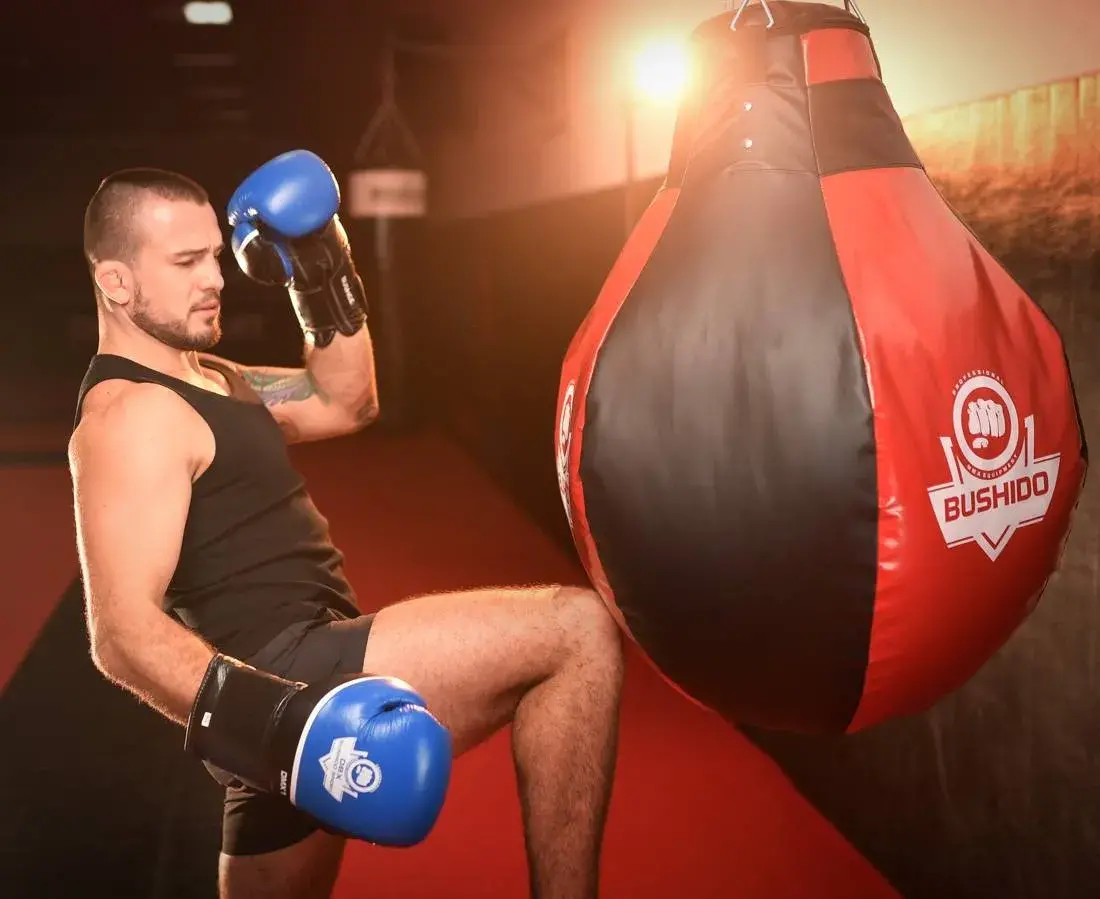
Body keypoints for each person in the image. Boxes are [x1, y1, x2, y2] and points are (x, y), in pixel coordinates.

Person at [68, 149, 625, 899]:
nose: (215, 277)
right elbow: (121, 634)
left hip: (291, 703)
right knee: (576, 630)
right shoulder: (128, 414)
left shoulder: (213, 378)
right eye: (186, 261)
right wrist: (290, 726)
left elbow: (345, 401)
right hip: (296, 676)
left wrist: (320, 262)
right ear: (115, 281)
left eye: (214, 254)